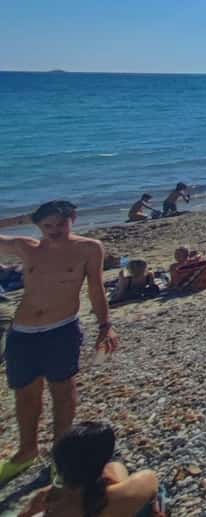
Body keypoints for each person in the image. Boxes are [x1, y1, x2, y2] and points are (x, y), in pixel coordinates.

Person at [0, 201, 117, 488]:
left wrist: (106, 325)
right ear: (38, 226)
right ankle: (27, 450)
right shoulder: (27, 247)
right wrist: (24, 218)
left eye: (60, 225)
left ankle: (60, 457)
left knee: (62, 393)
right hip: (23, 333)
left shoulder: (89, 248)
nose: (54, 231)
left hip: (61, 330)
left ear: (73, 219)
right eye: (47, 226)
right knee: (25, 395)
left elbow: (95, 288)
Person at [19, 422, 159, 517]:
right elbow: (150, 478)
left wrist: (58, 487)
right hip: (108, 504)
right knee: (156, 498)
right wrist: (113, 482)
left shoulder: (50, 502)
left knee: (114, 467)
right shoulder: (117, 498)